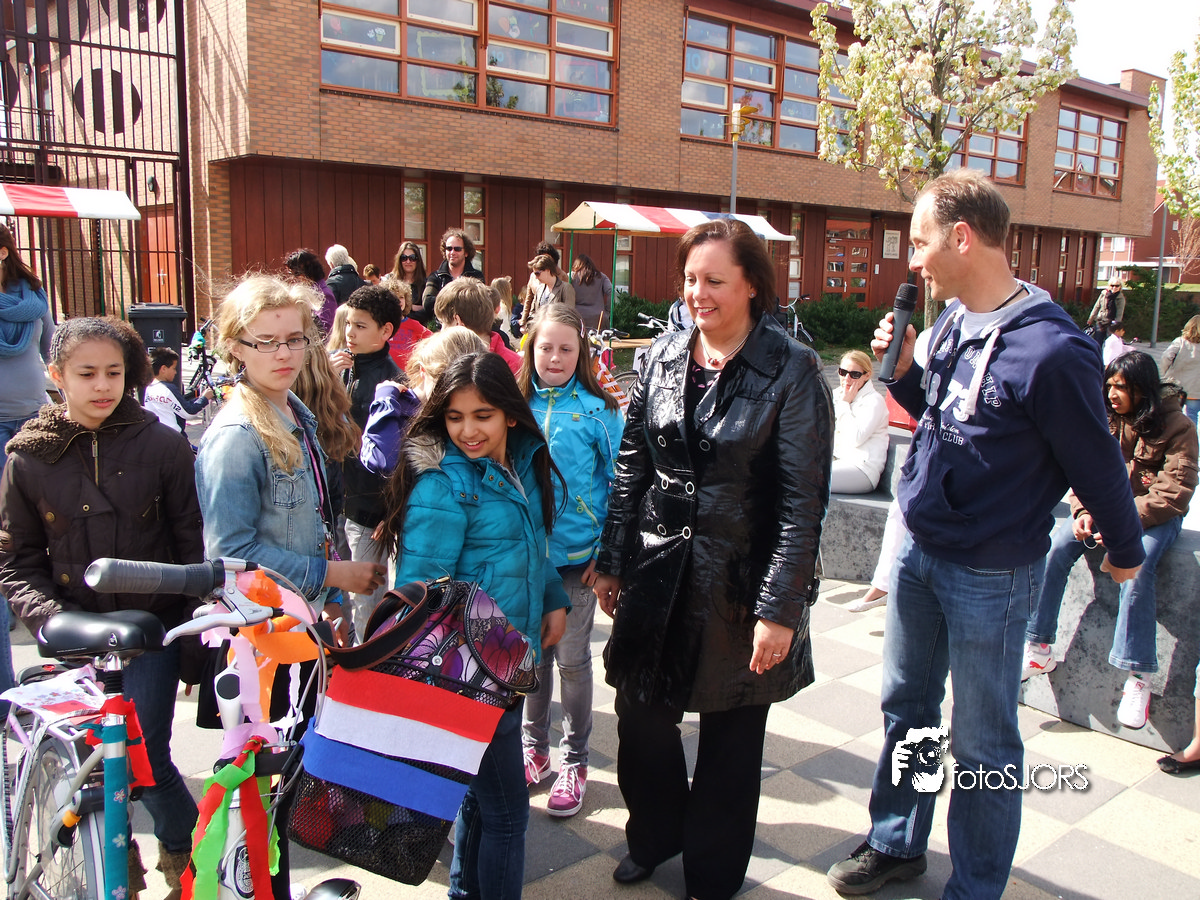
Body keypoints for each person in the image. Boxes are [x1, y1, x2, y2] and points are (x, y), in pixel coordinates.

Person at [826, 169, 1145, 900]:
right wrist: (906, 369)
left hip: (991, 575)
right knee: (908, 710)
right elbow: (941, 414)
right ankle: (897, 841)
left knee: (983, 742)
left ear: (962, 238)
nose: (913, 260)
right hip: (920, 551)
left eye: (920, 242)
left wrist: (1125, 551)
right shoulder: (950, 323)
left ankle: (974, 887)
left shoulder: (1054, 350)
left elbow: (1097, 463)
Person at [592, 218, 833, 900]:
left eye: (715, 280)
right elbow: (632, 466)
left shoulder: (792, 369)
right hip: (656, 571)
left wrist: (780, 611)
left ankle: (713, 874)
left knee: (731, 741)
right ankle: (654, 834)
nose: (698, 293)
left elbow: (802, 504)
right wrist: (612, 559)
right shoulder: (662, 356)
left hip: (742, 581)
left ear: (752, 284)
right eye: (691, 279)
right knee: (641, 716)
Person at [194, 275, 384, 899]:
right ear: (235, 347)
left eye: (295, 339)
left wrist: (330, 601)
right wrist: (333, 576)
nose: (283, 353)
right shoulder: (235, 436)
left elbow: (317, 521)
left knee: (285, 781)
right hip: (260, 645)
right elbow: (230, 556)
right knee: (261, 788)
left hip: (300, 629)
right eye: (266, 341)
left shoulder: (294, 412)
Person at [0, 316, 202, 898]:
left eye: (114, 372)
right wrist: (51, 621)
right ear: (55, 374)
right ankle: (116, 868)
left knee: (147, 756)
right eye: (86, 373)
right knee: (90, 763)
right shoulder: (28, 458)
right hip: (75, 633)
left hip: (152, 630)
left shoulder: (162, 445)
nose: (102, 386)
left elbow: (191, 544)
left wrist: (193, 639)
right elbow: (16, 559)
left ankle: (186, 860)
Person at [379, 352, 569, 900]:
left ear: (509, 413)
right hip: (471, 676)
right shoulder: (443, 483)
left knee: (482, 804)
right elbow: (420, 593)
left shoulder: (522, 460)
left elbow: (531, 543)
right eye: (455, 417)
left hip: (506, 662)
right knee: (508, 815)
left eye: (482, 415)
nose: (468, 431)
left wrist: (553, 597)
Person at [1023, 350, 1197, 727]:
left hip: (1156, 518)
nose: (1112, 394)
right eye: (1109, 386)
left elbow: (1175, 491)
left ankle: (1139, 676)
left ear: (1143, 388)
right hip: (1106, 511)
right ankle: (1038, 646)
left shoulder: (1178, 425)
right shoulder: (1104, 417)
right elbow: (1081, 469)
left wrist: (1120, 519)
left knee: (1138, 567)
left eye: (1121, 387)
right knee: (1056, 547)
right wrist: (1083, 511)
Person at [518, 304, 624, 818]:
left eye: (566, 348)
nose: (555, 357)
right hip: (525, 560)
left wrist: (608, 555)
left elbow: (623, 484)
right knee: (531, 658)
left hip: (579, 561)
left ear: (581, 352)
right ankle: (533, 749)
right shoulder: (513, 406)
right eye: (546, 348)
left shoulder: (601, 409)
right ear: (531, 350)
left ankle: (575, 761)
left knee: (573, 661)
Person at [330, 284, 402, 637]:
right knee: (338, 597)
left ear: (385, 331)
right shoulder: (341, 367)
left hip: (370, 509)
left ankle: (368, 660)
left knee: (367, 603)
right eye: (348, 323)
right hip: (337, 501)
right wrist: (327, 378)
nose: (350, 333)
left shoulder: (391, 381)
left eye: (360, 326)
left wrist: (392, 511)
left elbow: (401, 455)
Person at [0, 223, 55, 676]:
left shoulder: (34, 296)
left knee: (48, 524)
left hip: (32, 418)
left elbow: (54, 351)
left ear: (3, 252)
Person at [360, 326, 487, 478]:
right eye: (444, 385)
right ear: (423, 371)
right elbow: (386, 461)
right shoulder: (397, 408)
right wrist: (384, 401)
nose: (454, 397)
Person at [831, 349, 889, 494]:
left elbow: (856, 438)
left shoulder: (874, 401)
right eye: (843, 372)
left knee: (804, 478)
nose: (847, 379)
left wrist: (844, 404)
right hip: (837, 460)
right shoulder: (837, 394)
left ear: (867, 375)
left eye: (854, 374)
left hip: (862, 468)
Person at [434, 279, 522, 374]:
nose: (441, 331)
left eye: (442, 323)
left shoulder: (442, 365)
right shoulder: (516, 364)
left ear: (457, 322)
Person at [143, 346, 215, 435]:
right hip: (172, 436)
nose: (175, 372)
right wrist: (205, 398)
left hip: (155, 435)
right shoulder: (168, 389)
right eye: (173, 368)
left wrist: (199, 398)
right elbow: (189, 412)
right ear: (163, 369)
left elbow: (180, 405)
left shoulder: (149, 388)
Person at [421, 228, 485, 315]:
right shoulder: (436, 276)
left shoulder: (476, 276)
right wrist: (460, 299)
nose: (452, 252)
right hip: (442, 323)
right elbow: (427, 302)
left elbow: (480, 303)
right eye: (449, 248)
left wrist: (444, 301)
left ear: (466, 252)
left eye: (457, 249)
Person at [380, 274, 431, 370]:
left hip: (407, 373)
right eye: (395, 298)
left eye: (401, 297)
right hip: (385, 372)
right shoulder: (380, 325)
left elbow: (434, 339)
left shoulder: (413, 324)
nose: (399, 301)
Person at [286, 248, 338, 336]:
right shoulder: (305, 291)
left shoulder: (324, 294)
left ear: (309, 271)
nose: (294, 278)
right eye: (291, 274)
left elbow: (324, 329)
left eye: (296, 273)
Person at [519, 253, 576, 333]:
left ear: (548, 270)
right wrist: (527, 326)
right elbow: (533, 313)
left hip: (557, 334)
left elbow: (569, 316)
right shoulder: (539, 289)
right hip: (540, 333)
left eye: (537, 273)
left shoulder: (566, 288)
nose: (536, 277)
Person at [1161, 314, 1200, 429]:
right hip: (1196, 389)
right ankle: (1191, 437)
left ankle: (1174, 435)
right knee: (1192, 416)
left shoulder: (1180, 342)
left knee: (1173, 414)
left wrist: (1165, 372)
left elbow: (1166, 357)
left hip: (1177, 386)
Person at [571, 253, 613, 331]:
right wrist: (607, 311)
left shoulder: (571, 277)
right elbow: (611, 291)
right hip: (598, 318)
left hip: (577, 317)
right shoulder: (602, 277)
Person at [391, 241, 430, 325]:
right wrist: (411, 307)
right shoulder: (390, 281)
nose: (408, 261)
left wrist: (405, 310)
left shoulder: (426, 283)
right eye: (404, 258)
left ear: (418, 260)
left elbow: (428, 312)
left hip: (418, 328)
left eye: (412, 258)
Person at [1086, 277, 1126, 342]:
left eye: (1117, 286)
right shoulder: (1103, 294)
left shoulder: (1121, 298)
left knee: (1109, 342)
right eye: (1112, 285)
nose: (1114, 287)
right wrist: (1090, 319)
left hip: (1112, 323)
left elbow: (1120, 313)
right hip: (1101, 321)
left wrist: (1116, 325)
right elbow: (1096, 307)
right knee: (1097, 341)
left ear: (1120, 287)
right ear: (1109, 286)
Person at [491, 276, 516, 341]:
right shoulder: (502, 308)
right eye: (509, 288)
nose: (511, 290)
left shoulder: (493, 306)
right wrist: (519, 344)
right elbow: (505, 332)